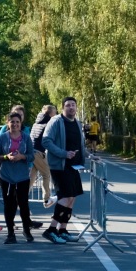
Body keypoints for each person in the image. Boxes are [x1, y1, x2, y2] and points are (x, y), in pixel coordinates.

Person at [41, 96, 86, 242]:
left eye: (73, 105)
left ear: (76, 107)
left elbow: (80, 145)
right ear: (62, 108)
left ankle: (62, 230)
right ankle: (51, 230)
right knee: (65, 197)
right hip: (59, 166)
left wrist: (89, 155)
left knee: (72, 197)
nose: (71, 107)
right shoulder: (56, 121)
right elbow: (46, 141)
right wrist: (64, 153)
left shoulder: (77, 123)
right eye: (68, 105)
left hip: (74, 166)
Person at [0, 108, 37, 243]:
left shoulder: (26, 137)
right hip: (6, 176)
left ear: (20, 123)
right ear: (8, 123)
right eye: (12, 122)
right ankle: (10, 233)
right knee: (9, 205)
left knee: (23, 204)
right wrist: (6, 157)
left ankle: (26, 230)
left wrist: (21, 156)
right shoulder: (3, 137)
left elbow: (31, 156)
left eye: (17, 122)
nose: (15, 124)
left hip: (22, 176)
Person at [30, 104, 56, 209]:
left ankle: (20, 197)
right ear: (50, 114)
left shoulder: (36, 123)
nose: (56, 114)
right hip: (39, 152)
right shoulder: (48, 124)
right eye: (55, 112)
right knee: (46, 174)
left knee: (32, 177)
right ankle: (46, 199)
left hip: (31, 151)